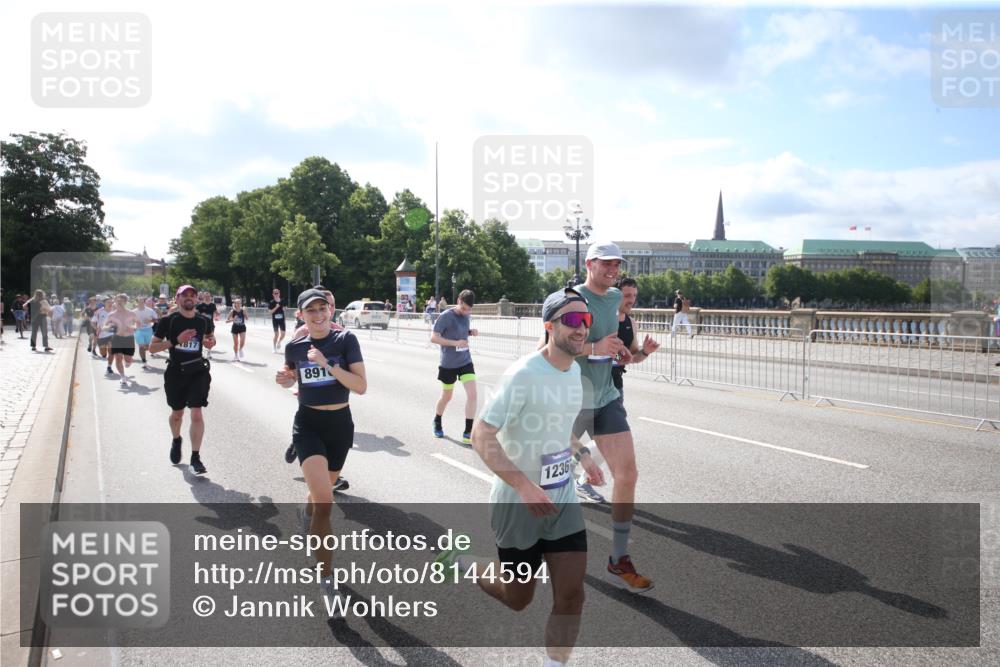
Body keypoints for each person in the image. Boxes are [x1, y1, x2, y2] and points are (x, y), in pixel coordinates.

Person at [437, 287, 603, 667]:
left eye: (587, 320)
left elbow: (559, 426)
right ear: (549, 326)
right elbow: (481, 434)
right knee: (518, 599)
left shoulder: (574, 371)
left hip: (561, 500)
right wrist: (525, 486)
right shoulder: (523, 375)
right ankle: (466, 562)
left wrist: (583, 455)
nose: (582, 329)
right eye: (573, 320)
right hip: (518, 505)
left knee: (572, 595)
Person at [562, 242, 653, 592]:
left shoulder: (615, 297)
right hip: (570, 400)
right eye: (606, 263)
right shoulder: (572, 299)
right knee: (549, 489)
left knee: (627, 474)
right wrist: (593, 348)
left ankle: (618, 559)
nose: (613, 269)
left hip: (605, 398)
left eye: (617, 264)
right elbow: (556, 346)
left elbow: (611, 339)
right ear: (589, 264)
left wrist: (622, 355)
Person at [274, 288, 366, 607]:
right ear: (301, 315)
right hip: (308, 426)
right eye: (310, 310)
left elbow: (361, 386)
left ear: (330, 310)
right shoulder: (295, 346)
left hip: (340, 427)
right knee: (326, 501)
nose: (317, 315)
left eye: (321, 308)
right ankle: (327, 576)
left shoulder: (346, 341)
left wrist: (328, 365)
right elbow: (291, 378)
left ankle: (306, 512)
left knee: (318, 497)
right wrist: (284, 379)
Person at [577, 277, 661, 503]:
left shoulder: (630, 324)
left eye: (634, 296)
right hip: (581, 388)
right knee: (555, 445)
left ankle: (583, 479)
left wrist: (645, 352)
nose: (630, 300)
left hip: (613, 387)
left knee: (610, 440)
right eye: (626, 296)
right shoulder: (595, 317)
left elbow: (631, 358)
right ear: (614, 296)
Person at [282, 287, 350, 493]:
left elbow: (358, 383)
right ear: (302, 314)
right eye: (313, 309)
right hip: (309, 402)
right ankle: (304, 447)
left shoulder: (342, 334)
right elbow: (293, 364)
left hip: (338, 415)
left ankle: (323, 476)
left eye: (328, 306)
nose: (322, 312)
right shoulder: (303, 333)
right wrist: (287, 376)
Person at [149, 285, 217, 475]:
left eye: (192, 295)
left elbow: (211, 339)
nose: (189, 298)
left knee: (196, 414)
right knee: (177, 414)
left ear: (196, 299)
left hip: (197, 370)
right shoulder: (168, 321)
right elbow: (152, 348)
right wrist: (175, 341)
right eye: (184, 295)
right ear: (177, 299)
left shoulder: (203, 321)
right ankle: (176, 439)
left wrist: (209, 342)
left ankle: (195, 457)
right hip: (176, 372)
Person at [430, 289, 479, 444]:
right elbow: (434, 338)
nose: (466, 312)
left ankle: (467, 432)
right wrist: (455, 343)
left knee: (473, 395)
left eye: (469, 310)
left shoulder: (467, 315)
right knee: (447, 396)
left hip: (465, 360)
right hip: (448, 363)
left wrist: (470, 332)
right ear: (458, 301)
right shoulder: (446, 316)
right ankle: (437, 420)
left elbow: (461, 331)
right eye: (464, 308)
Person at [107, 294, 141, 386]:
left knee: (127, 359)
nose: (119, 302)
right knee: (118, 358)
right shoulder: (111, 315)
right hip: (117, 338)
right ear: (115, 302)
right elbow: (106, 326)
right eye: (118, 300)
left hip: (128, 338)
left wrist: (134, 328)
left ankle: (128, 360)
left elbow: (138, 323)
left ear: (125, 302)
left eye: (122, 301)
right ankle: (122, 377)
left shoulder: (131, 313)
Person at [133, 297, 159, 368]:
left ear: (144, 302)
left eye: (142, 302)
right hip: (139, 330)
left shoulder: (150, 311)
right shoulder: (134, 311)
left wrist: (150, 320)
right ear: (136, 303)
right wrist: (133, 326)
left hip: (148, 330)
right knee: (141, 346)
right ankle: (144, 362)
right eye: (139, 302)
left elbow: (157, 320)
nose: (140, 303)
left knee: (147, 347)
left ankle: (147, 351)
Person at [93, 298, 115, 371]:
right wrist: (96, 328)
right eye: (108, 302)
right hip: (102, 334)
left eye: (111, 302)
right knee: (103, 353)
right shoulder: (99, 312)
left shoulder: (115, 311)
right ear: (104, 303)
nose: (110, 303)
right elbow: (93, 322)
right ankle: (104, 354)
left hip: (112, 333)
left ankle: (109, 366)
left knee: (111, 350)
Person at [196, 291, 220, 359]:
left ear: (210, 297)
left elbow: (216, 312)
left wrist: (218, 312)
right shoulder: (200, 305)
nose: (207, 298)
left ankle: (209, 353)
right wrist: (201, 315)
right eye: (206, 296)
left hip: (210, 325)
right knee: (201, 339)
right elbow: (195, 314)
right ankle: (200, 353)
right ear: (203, 297)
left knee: (210, 339)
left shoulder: (212, 305)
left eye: (208, 296)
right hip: (202, 325)